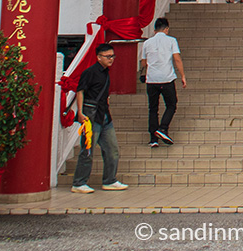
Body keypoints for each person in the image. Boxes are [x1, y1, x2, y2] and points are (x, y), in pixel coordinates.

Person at [70, 43, 128, 193]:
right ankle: (79, 183)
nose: (111, 59)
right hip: (91, 116)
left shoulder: (105, 72)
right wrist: (81, 112)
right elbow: (80, 91)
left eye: (112, 56)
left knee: (112, 149)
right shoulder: (90, 72)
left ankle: (109, 180)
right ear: (98, 57)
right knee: (87, 150)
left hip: (105, 116)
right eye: (108, 56)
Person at [139, 17, 187, 147]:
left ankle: (153, 139)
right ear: (166, 29)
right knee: (171, 104)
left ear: (154, 30)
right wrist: (182, 75)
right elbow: (177, 59)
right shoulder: (171, 40)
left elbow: (144, 62)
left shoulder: (147, 43)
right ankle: (163, 128)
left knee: (153, 108)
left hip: (151, 79)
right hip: (167, 78)